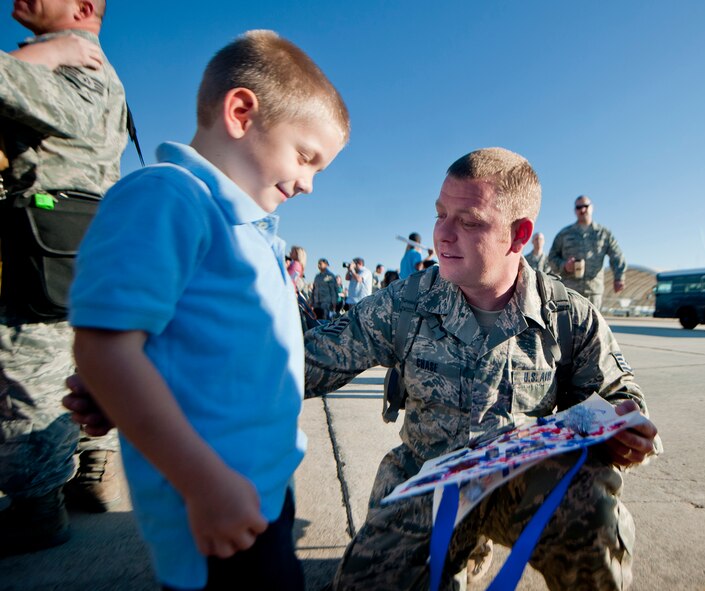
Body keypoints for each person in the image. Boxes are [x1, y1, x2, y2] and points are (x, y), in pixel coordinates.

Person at [67, 29, 348, 591]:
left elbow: (184, 345)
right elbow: (102, 346)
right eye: (306, 157)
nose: (311, 184)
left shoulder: (246, 228)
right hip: (213, 502)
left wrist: (121, 392)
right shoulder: (168, 197)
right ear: (241, 111)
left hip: (259, 490)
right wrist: (202, 484)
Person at [303, 148, 660, 590]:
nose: (442, 236)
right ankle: (461, 548)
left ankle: (483, 542)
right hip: (428, 480)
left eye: (469, 221)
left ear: (519, 235)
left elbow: (620, 395)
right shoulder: (404, 304)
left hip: (522, 481)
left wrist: (627, 427)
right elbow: (305, 362)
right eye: (440, 214)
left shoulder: (567, 315)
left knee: (592, 516)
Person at [0, 0, 127, 555]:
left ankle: (38, 506)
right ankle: (87, 472)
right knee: (76, 363)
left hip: (47, 241)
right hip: (70, 239)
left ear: (82, 8)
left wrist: (42, 52)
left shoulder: (75, 62)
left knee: (29, 369)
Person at [548, 195, 626, 309]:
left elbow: (617, 255)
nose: (582, 210)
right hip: (570, 291)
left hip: (593, 292)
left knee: (594, 326)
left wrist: (619, 277)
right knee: (569, 326)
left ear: (592, 208)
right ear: (575, 210)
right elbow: (551, 258)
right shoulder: (564, 234)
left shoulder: (603, 233)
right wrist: (564, 266)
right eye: (578, 207)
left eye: (585, 206)